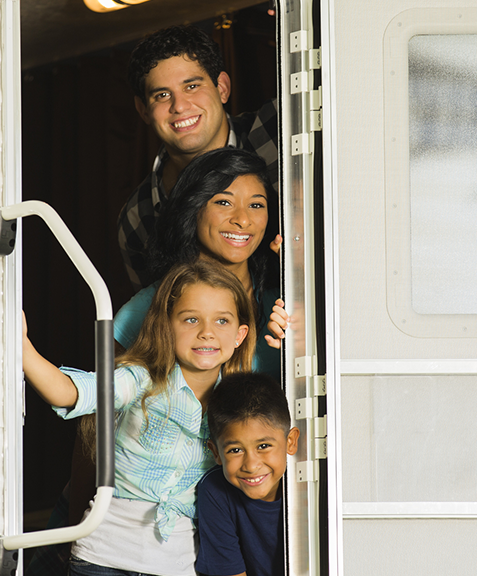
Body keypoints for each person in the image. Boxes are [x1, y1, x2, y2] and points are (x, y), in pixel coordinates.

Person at [22, 261, 257, 576]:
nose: (207, 333)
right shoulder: (141, 379)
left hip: (178, 565)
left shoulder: (237, 403)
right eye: (190, 319)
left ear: (240, 334)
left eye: (222, 321)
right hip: (103, 558)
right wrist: (22, 347)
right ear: (166, 326)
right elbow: (70, 392)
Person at [119, 24, 279, 292]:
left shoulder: (279, 130)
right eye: (162, 95)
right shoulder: (138, 218)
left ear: (222, 88)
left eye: (192, 86)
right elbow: (157, 322)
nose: (179, 106)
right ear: (143, 110)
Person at [115, 147, 288, 377]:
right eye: (224, 202)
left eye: (256, 205)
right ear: (193, 209)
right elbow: (110, 404)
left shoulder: (284, 303)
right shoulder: (143, 309)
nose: (243, 220)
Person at [196, 371, 299, 576]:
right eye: (235, 450)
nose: (251, 466)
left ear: (290, 442)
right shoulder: (215, 491)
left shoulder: (309, 482)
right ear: (216, 452)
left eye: (263, 446)